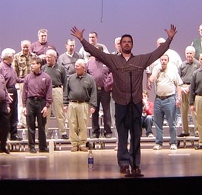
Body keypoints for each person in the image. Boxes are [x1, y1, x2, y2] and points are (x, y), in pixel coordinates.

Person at [71, 24, 177, 177]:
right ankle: (123, 163)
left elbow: (157, 53)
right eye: (124, 42)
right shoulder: (113, 60)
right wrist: (82, 40)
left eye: (129, 42)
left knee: (136, 136)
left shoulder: (140, 60)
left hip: (135, 104)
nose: (127, 44)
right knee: (122, 136)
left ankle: (135, 164)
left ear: (132, 45)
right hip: (120, 103)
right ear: (120, 45)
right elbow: (94, 51)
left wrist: (170, 39)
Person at [148, 54, 182, 150]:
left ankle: (173, 142)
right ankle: (159, 142)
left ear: (168, 61)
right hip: (158, 99)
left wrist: (178, 98)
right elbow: (151, 80)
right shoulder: (156, 70)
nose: (163, 61)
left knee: (172, 122)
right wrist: (157, 71)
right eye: (162, 59)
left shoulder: (173, 71)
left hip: (170, 99)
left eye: (165, 60)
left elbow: (179, 85)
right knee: (158, 123)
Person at [64, 59, 97, 151]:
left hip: (84, 104)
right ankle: (74, 144)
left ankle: (82, 143)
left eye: (78, 66)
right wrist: (65, 104)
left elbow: (93, 93)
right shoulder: (70, 78)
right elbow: (66, 91)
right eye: (75, 65)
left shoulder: (90, 78)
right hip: (72, 104)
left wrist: (93, 105)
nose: (75, 67)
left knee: (83, 125)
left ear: (84, 67)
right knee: (72, 124)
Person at [22, 58, 52, 154]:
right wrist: (24, 106)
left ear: (39, 65)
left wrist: (47, 106)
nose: (32, 66)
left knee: (42, 125)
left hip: (41, 102)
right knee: (30, 125)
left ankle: (42, 146)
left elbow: (49, 93)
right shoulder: (27, 77)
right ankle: (31, 147)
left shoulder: (46, 77)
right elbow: (24, 92)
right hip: (30, 102)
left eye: (34, 64)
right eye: (31, 64)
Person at [86, 46, 113, 138]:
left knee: (106, 111)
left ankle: (108, 131)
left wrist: (108, 83)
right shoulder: (89, 62)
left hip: (105, 90)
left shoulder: (107, 62)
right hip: (93, 91)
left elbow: (112, 73)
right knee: (94, 111)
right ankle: (95, 131)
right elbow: (86, 75)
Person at [42, 49, 68, 139]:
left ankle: (63, 131)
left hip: (57, 90)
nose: (47, 59)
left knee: (59, 112)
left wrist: (65, 96)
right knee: (46, 113)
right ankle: (44, 133)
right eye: (46, 57)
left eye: (49, 57)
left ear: (54, 57)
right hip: (46, 92)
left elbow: (65, 82)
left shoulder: (60, 68)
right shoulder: (43, 68)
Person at [0, 48, 24, 141]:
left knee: (14, 113)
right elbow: (1, 82)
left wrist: (25, 79)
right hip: (7, 90)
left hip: (13, 89)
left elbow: (15, 78)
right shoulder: (1, 67)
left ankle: (13, 134)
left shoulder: (11, 66)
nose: (13, 57)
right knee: (7, 113)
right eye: (13, 56)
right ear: (9, 57)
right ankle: (5, 135)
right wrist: (5, 93)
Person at [13, 40, 37, 129]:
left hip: (33, 83)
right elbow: (14, 72)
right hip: (21, 83)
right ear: (21, 47)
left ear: (30, 47)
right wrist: (21, 81)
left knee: (33, 102)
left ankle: (33, 121)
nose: (25, 49)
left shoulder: (34, 57)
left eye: (27, 47)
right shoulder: (16, 57)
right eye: (24, 47)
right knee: (21, 103)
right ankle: (22, 122)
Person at [178, 46, 200, 137]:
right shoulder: (182, 65)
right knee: (183, 111)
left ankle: (197, 130)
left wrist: (190, 88)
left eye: (191, 53)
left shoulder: (198, 64)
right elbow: (178, 78)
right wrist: (182, 88)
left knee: (194, 111)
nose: (189, 55)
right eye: (187, 53)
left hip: (193, 89)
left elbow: (198, 78)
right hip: (183, 88)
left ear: (194, 54)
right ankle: (185, 131)